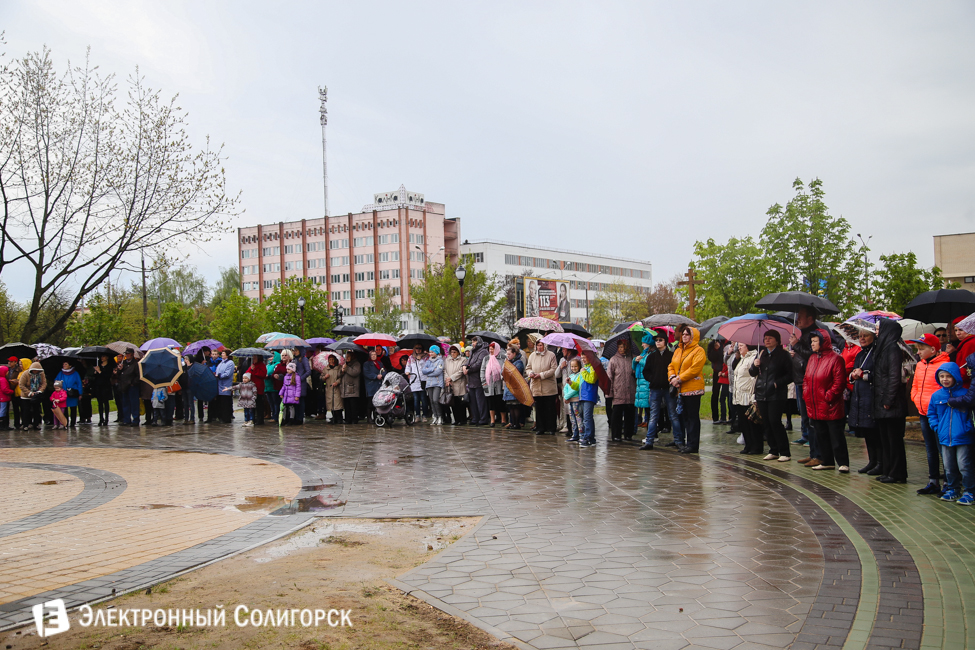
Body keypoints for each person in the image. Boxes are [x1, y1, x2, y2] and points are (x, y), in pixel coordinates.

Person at [803, 329, 850, 472]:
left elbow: (839, 382)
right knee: (820, 435)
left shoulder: (836, 359)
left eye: (815, 341)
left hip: (830, 405)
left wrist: (828, 396)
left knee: (836, 435)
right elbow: (806, 379)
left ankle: (843, 462)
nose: (812, 344)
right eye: (811, 341)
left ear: (823, 342)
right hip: (815, 404)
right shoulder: (812, 358)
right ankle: (827, 461)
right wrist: (806, 394)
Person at [929, 363, 975, 505]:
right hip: (944, 437)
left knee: (964, 465)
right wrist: (936, 426)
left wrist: (967, 428)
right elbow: (932, 413)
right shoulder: (937, 396)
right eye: (942, 376)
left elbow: (970, 414)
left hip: (963, 437)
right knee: (949, 466)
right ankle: (953, 489)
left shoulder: (965, 394)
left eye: (948, 376)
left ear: (955, 377)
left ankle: (970, 491)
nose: (945, 379)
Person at [909, 333, 949, 495]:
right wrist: (916, 398)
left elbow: (945, 388)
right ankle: (933, 480)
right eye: (917, 349)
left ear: (933, 349)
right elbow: (915, 385)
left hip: (939, 414)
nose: (918, 352)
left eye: (921, 349)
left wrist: (935, 406)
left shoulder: (944, 364)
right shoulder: (920, 365)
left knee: (943, 448)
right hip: (923, 412)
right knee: (930, 448)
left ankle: (948, 481)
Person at [873, 318, 910, 484]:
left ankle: (897, 473)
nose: (876, 332)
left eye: (879, 329)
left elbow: (894, 377)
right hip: (882, 402)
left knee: (894, 440)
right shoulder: (882, 349)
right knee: (885, 439)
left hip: (891, 404)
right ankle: (889, 470)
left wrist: (888, 399)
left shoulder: (892, 349)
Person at [750, 331, 793, 460]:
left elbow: (790, 375)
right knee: (766, 422)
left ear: (777, 340)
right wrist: (754, 365)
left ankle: (784, 451)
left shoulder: (783, 355)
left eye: (770, 338)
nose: (767, 340)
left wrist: (777, 383)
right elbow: (753, 373)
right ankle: (773, 449)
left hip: (776, 394)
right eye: (765, 338)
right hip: (762, 392)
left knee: (775, 421)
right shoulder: (761, 353)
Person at [668, 325, 706, 454]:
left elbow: (694, 369)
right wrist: (672, 377)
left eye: (687, 334)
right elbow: (671, 365)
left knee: (692, 417)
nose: (684, 336)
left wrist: (679, 378)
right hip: (681, 389)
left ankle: (693, 444)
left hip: (693, 388)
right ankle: (687, 443)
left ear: (693, 336)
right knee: (684, 416)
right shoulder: (678, 350)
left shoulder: (698, 350)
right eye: (683, 334)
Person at [640, 330, 680, 451]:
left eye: (660, 340)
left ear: (665, 342)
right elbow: (646, 371)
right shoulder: (652, 356)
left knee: (673, 414)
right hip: (655, 389)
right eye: (656, 340)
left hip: (668, 388)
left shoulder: (671, 356)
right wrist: (654, 379)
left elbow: (676, 369)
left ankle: (678, 440)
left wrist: (670, 380)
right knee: (653, 416)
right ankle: (649, 440)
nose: (658, 342)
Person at [849, 329, 881, 475]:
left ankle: (879, 461)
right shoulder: (861, 354)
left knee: (874, 431)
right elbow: (855, 370)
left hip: (871, 396)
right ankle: (872, 461)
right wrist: (853, 375)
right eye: (860, 336)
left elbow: (879, 374)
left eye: (865, 336)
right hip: (859, 396)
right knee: (867, 431)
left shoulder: (876, 353)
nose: (862, 338)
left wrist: (864, 375)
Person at [731, 344, 761, 454]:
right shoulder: (742, 359)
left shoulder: (753, 357)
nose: (739, 348)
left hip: (748, 395)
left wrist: (754, 396)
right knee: (743, 423)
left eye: (741, 345)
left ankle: (756, 446)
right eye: (738, 346)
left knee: (751, 423)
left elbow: (754, 377)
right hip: (739, 395)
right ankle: (748, 445)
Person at [526, 339, 558, 435]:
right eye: (538, 345)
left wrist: (541, 375)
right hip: (536, 386)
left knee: (550, 408)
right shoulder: (532, 355)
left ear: (545, 346)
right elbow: (528, 368)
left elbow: (553, 369)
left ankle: (551, 427)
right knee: (539, 408)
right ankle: (540, 427)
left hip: (548, 386)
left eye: (541, 345)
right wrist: (531, 373)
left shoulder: (551, 355)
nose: (539, 347)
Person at [607, 340, 636, 442]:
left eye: (623, 347)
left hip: (631, 391)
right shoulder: (613, 360)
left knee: (630, 415)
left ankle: (628, 434)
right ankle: (616, 435)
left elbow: (637, 374)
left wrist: (635, 367)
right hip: (618, 392)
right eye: (619, 347)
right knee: (616, 415)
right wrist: (609, 392)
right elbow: (609, 377)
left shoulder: (633, 358)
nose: (621, 349)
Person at [481, 342, 506, 428]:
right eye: (490, 349)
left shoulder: (502, 357)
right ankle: (492, 420)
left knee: (501, 402)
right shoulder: (486, 358)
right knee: (491, 403)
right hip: (489, 384)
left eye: (493, 349)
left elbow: (505, 369)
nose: (491, 351)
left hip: (499, 383)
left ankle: (503, 419)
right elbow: (483, 370)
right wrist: (484, 382)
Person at [114, 349, 140, 427]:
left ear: (132, 354)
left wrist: (133, 383)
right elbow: (119, 375)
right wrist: (119, 369)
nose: (127, 355)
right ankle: (126, 419)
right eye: (126, 354)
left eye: (128, 354)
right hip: (124, 386)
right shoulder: (124, 363)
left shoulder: (135, 364)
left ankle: (135, 419)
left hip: (132, 386)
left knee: (134, 403)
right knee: (125, 403)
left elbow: (138, 376)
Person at [577, 357, 599, 447]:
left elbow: (592, 379)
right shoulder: (584, 369)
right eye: (582, 358)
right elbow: (578, 384)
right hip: (582, 396)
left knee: (587, 418)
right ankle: (591, 438)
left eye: (585, 358)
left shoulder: (593, 368)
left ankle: (588, 438)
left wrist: (583, 372)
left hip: (589, 396)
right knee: (584, 417)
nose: (583, 360)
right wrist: (571, 383)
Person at [632, 334, 652, 434]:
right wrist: (635, 361)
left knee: (649, 409)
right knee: (644, 408)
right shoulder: (643, 353)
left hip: (646, 384)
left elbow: (649, 364)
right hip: (640, 383)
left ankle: (651, 433)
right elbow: (634, 367)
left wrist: (641, 361)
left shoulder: (650, 354)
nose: (643, 344)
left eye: (645, 343)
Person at [444, 345, 468, 425]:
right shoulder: (447, 360)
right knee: (453, 402)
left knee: (461, 403)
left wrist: (451, 377)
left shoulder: (463, 360)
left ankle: (463, 419)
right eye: (451, 352)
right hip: (450, 384)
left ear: (458, 352)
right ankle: (456, 419)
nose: (453, 353)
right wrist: (447, 379)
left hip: (459, 383)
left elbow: (461, 371)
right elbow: (445, 370)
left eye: (455, 352)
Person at [55, 361, 83, 427]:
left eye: (66, 364)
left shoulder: (75, 373)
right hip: (63, 394)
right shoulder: (61, 373)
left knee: (73, 409)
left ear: (70, 366)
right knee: (64, 409)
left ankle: (73, 423)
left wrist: (80, 393)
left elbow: (79, 384)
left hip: (73, 394)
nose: (64, 365)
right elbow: (56, 381)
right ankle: (66, 422)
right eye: (63, 364)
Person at [502, 346, 524, 429]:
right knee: (510, 406)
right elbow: (503, 372)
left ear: (514, 354)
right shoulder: (507, 362)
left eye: (509, 354)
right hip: (508, 387)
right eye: (507, 354)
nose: (508, 356)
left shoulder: (519, 362)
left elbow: (515, 373)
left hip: (515, 387)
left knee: (516, 406)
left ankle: (517, 423)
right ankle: (512, 423)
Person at [422, 345, 445, 425]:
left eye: (432, 352)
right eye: (430, 352)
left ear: (436, 352)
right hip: (429, 384)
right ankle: (435, 416)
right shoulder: (428, 361)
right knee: (431, 401)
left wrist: (429, 373)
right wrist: (432, 370)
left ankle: (440, 416)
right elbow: (424, 371)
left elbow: (438, 371)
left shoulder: (440, 361)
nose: (430, 354)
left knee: (435, 400)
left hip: (437, 383)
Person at [708, 339, 729, 425]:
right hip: (717, 371)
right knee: (715, 394)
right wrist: (716, 349)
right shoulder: (713, 343)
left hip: (727, 372)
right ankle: (715, 417)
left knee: (727, 395)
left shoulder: (730, 342)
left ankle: (728, 417)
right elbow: (711, 358)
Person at [563, 358, 584, 441]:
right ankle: (575, 434)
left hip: (576, 400)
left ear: (579, 366)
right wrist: (566, 396)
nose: (573, 368)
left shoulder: (579, 376)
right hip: (570, 401)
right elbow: (566, 387)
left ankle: (581, 435)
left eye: (575, 366)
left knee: (578, 418)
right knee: (572, 418)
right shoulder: (571, 376)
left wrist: (566, 397)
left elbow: (576, 388)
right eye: (572, 366)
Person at [404, 345, 426, 421]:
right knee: (416, 399)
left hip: (423, 379)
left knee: (423, 398)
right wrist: (407, 372)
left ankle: (425, 415)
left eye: (420, 348)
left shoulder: (426, 357)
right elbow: (408, 366)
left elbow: (426, 367)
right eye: (417, 348)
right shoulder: (411, 357)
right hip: (414, 380)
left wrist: (420, 361)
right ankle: (417, 415)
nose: (418, 350)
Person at [214, 350, 236, 424]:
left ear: (227, 355)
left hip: (226, 385)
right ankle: (221, 417)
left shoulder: (230, 363)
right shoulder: (221, 362)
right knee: (221, 403)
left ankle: (226, 418)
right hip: (219, 385)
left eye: (223, 353)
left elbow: (228, 374)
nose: (222, 354)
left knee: (226, 403)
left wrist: (219, 376)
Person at [340, 350, 362, 424]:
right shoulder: (345, 364)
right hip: (345, 388)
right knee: (347, 405)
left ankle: (354, 419)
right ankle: (347, 419)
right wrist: (342, 370)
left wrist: (346, 368)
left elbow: (355, 372)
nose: (347, 358)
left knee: (353, 405)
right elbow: (339, 375)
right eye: (346, 357)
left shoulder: (356, 364)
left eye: (349, 356)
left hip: (353, 388)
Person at [363, 349, 386, 422]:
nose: (373, 356)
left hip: (378, 385)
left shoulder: (380, 363)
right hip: (371, 385)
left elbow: (384, 371)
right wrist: (375, 376)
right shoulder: (366, 364)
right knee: (370, 402)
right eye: (372, 355)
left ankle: (377, 417)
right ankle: (369, 417)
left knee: (378, 402)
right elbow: (366, 373)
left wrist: (382, 375)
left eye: (375, 354)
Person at [322, 354, 344, 423]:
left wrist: (337, 382)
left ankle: (339, 417)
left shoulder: (339, 368)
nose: (331, 361)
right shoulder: (326, 369)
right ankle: (333, 417)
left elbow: (341, 377)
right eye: (330, 359)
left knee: (338, 404)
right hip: (329, 388)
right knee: (330, 404)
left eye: (332, 359)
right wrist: (324, 377)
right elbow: (321, 377)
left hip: (337, 388)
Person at [247, 357, 268, 426]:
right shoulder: (252, 365)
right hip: (251, 387)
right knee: (253, 404)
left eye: (255, 358)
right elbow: (247, 373)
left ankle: (260, 419)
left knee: (259, 404)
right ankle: (253, 418)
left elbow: (262, 374)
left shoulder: (262, 365)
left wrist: (254, 370)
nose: (254, 359)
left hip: (259, 387)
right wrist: (251, 370)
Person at [0, 365, 13, 429]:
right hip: (4, 398)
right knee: (3, 410)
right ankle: (2, 424)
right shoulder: (3, 379)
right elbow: (4, 389)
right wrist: (11, 391)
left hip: (1, 398)